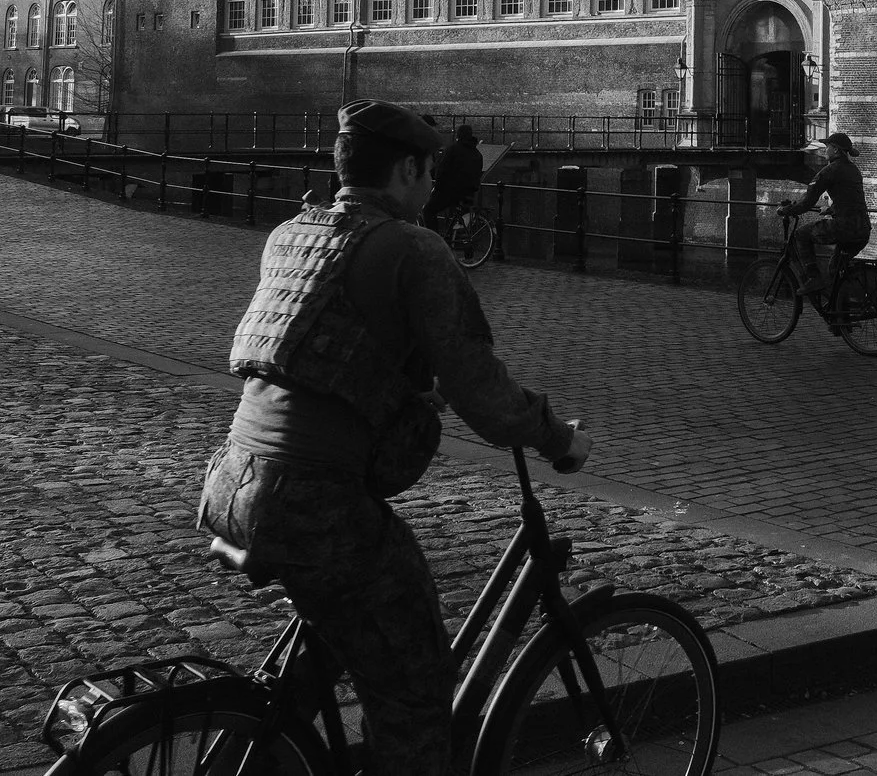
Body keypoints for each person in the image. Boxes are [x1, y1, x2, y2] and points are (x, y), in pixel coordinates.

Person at [196, 99, 589, 776]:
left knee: (341, 625)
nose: (435, 185)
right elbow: (484, 391)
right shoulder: (415, 248)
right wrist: (557, 437)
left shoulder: (290, 233)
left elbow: (321, 354)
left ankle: (265, 740)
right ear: (406, 169)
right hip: (315, 502)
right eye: (430, 170)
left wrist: (406, 389)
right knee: (416, 686)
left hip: (234, 480)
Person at [777, 131, 872, 314]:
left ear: (835, 150)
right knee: (836, 268)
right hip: (862, 229)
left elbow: (806, 203)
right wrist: (832, 209)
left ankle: (813, 278)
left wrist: (786, 210)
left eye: (827, 146)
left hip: (844, 228)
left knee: (800, 235)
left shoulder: (829, 171)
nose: (825, 150)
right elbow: (851, 199)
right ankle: (841, 317)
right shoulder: (854, 170)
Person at [426, 121, 484, 238]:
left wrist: (437, 186)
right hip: (469, 192)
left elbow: (442, 170)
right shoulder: (477, 153)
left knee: (428, 211)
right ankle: (453, 236)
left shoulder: (453, 149)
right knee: (455, 213)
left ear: (458, 136)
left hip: (451, 191)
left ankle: (435, 239)